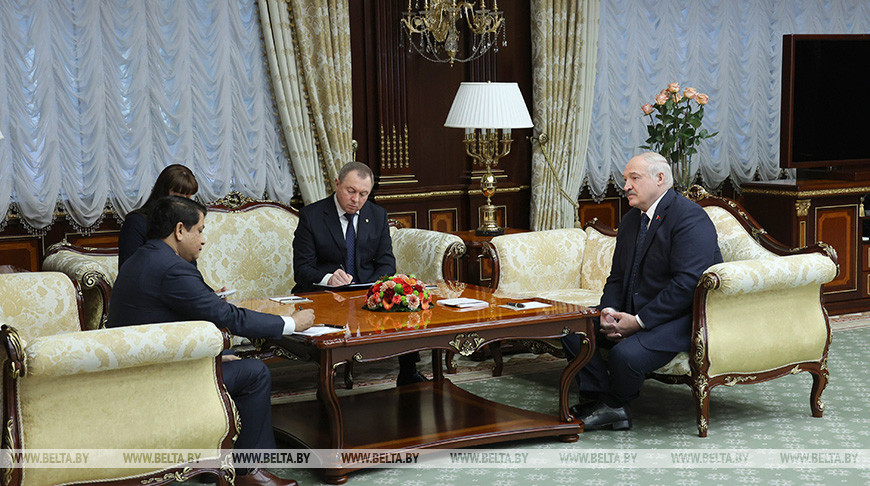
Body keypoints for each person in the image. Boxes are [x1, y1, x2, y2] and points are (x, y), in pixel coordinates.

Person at [108, 196, 313, 486]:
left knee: (236, 364)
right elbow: (227, 316)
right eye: (200, 230)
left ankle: (217, 462)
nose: (203, 239)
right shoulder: (171, 268)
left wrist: (209, 357)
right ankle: (247, 472)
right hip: (159, 379)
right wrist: (290, 323)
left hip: (141, 370)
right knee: (255, 373)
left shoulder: (143, 258)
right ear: (180, 230)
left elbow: (165, 324)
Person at [562, 152, 722, 431]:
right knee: (572, 330)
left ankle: (614, 404)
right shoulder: (631, 220)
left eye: (634, 178)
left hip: (681, 318)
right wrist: (608, 311)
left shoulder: (690, 218)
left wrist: (638, 322)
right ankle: (603, 402)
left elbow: (686, 285)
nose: (626, 186)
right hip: (633, 311)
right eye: (625, 179)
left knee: (626, 356)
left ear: (660, 178)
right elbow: (617, 277)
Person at [292, 161, 424, 386]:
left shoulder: (377, 215)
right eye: (350, 191)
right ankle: (327, 382)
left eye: (363, 194)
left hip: (365, 292)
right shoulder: (312, 216)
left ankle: (408, 373)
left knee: (405, 306)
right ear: (337, 184)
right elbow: (302, 269)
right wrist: (329, 279)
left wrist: (374, 288)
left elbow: (386, 263)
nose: (356, 199)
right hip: (324, 294)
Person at [118, 164, 198, 268]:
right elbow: (129, 270)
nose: (183, 203)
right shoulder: (136, 222)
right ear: (163, 192)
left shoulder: (185, 223)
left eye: (187, 198)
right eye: (178, 197)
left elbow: (191, 268)